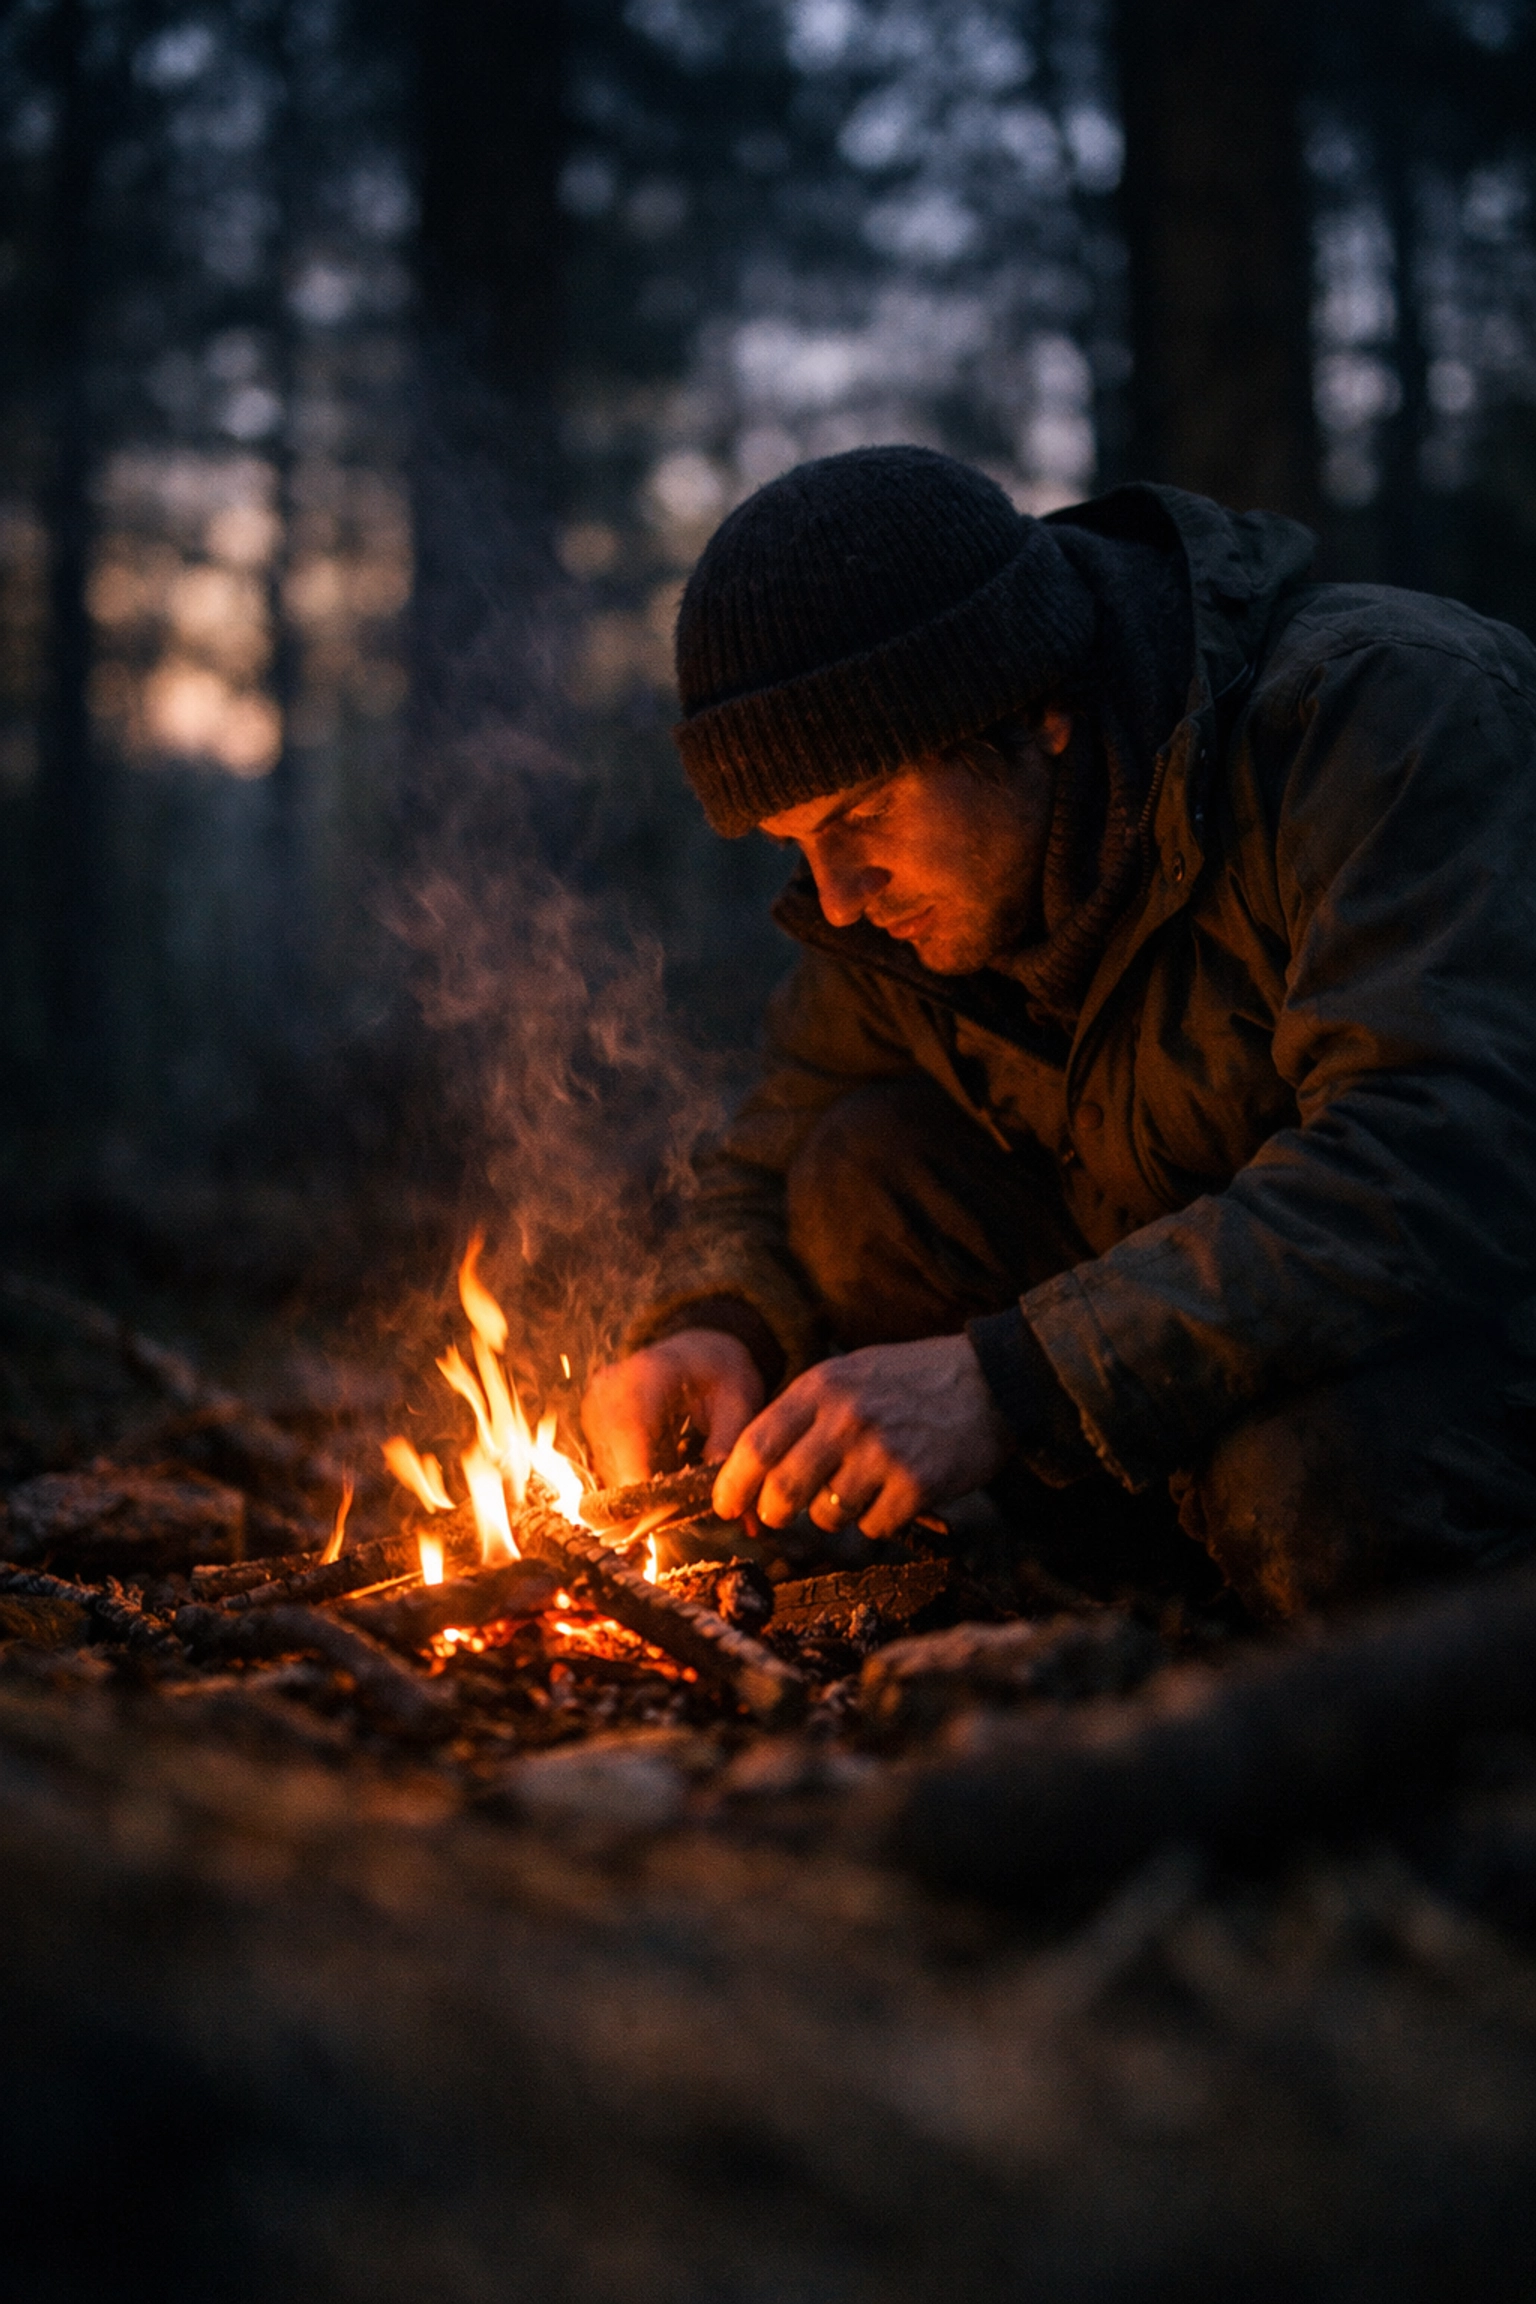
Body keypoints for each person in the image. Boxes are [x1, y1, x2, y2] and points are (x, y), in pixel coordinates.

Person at [580, 445, 1536, 1618]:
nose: (835, 896)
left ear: (1036, 709)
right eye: (793, 843)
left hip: (1467, 1343)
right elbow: (771, 1156)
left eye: (863, 814)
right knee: (856, 1168)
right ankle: (1118, 1602)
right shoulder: (905, 915)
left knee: (1318, 1488)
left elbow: (1438, 1156)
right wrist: (711, 1323)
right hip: (1175, 1393)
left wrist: (1014, 1379)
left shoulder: (1379, 715)